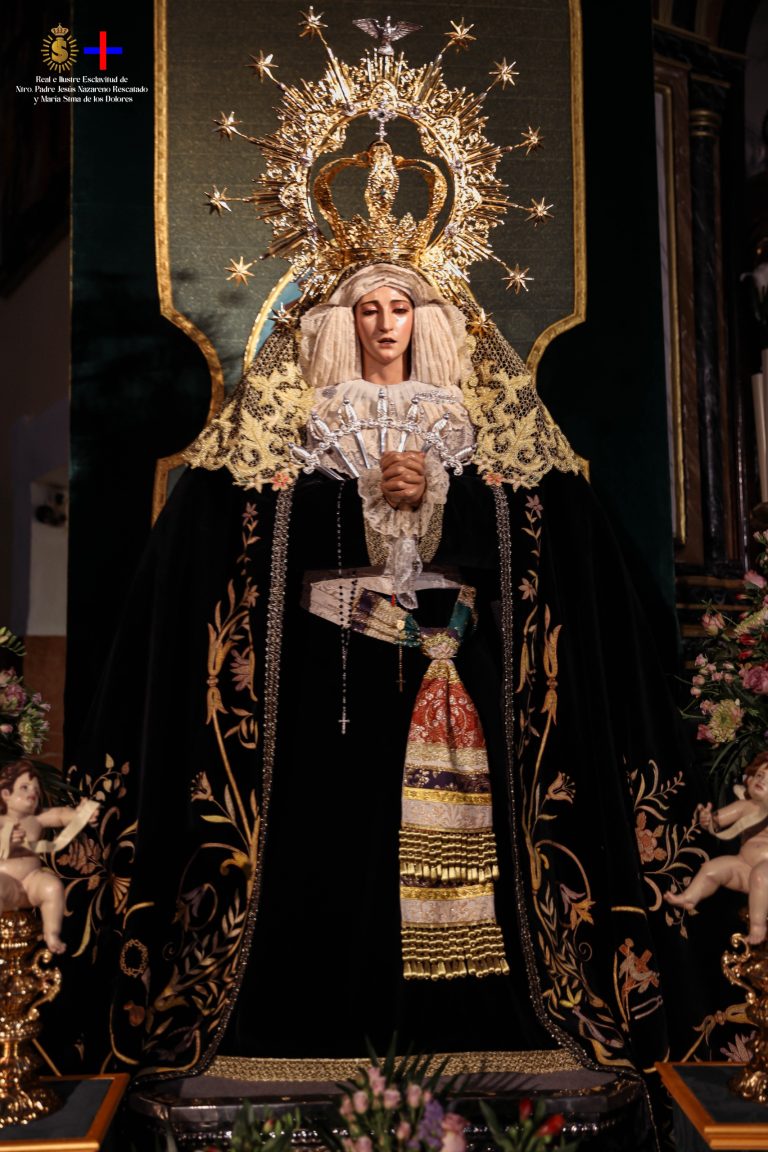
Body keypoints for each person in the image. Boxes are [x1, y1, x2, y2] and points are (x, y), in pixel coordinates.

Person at [43, 252, 737, 1091]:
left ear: (424, 321)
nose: (383, 324)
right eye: (366, 308)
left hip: (448, 677)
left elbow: (552, 544)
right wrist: (347, 499)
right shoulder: (294, 425)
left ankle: (468, 1020)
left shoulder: (472, 427)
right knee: (325, 838)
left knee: (466, 848)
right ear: (343, 322)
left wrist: (445, 495)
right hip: (321, 687)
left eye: (399, 307)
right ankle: (307, 1015)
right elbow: (230, 542)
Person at [665, 751, 768, 944]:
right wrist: (707, 819)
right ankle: (690, 897)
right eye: (760, 775)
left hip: (765, 872)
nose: (762, 780)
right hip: (743, 865)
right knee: (711, 868)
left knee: (761, 877)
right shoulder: (746, 806)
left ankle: (758, 927)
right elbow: (717, 821)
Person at [0, 760, 99, 954]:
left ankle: (51, 933)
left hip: (30, 883)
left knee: (52, 886)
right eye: (25, 787)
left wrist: (80, 814)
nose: (33, 792)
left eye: (36, 789)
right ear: (6, 794)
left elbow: (60, 815)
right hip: (6, 883)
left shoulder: (36, 818)